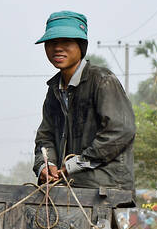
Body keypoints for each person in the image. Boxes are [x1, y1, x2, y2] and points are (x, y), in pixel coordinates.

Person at [32, 10, 135, 191]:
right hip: (66, 189)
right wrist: (45, 165)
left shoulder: (102, 80)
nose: (58, 48)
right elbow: (45, 138)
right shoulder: (54, 89)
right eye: (52, 42)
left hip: (105, 188)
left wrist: (76, 164)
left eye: (66, 42)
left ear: (81, 46)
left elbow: (120, 131)